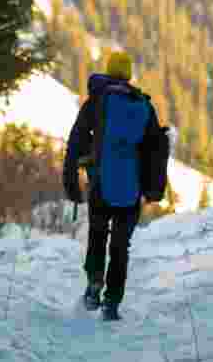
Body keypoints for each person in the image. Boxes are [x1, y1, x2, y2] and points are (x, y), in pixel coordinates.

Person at [63, 50, 166, 321]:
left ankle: (94, 284)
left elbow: (76, 140)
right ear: (129, 74)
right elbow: (156, 149)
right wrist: (154, 188)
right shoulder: (144, 106)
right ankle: (112, 302)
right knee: (121, 245)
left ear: (109, 72)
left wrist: (71, 181)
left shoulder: (97, 102)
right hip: (130, 186)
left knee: (98, 234)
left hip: (100, 182)